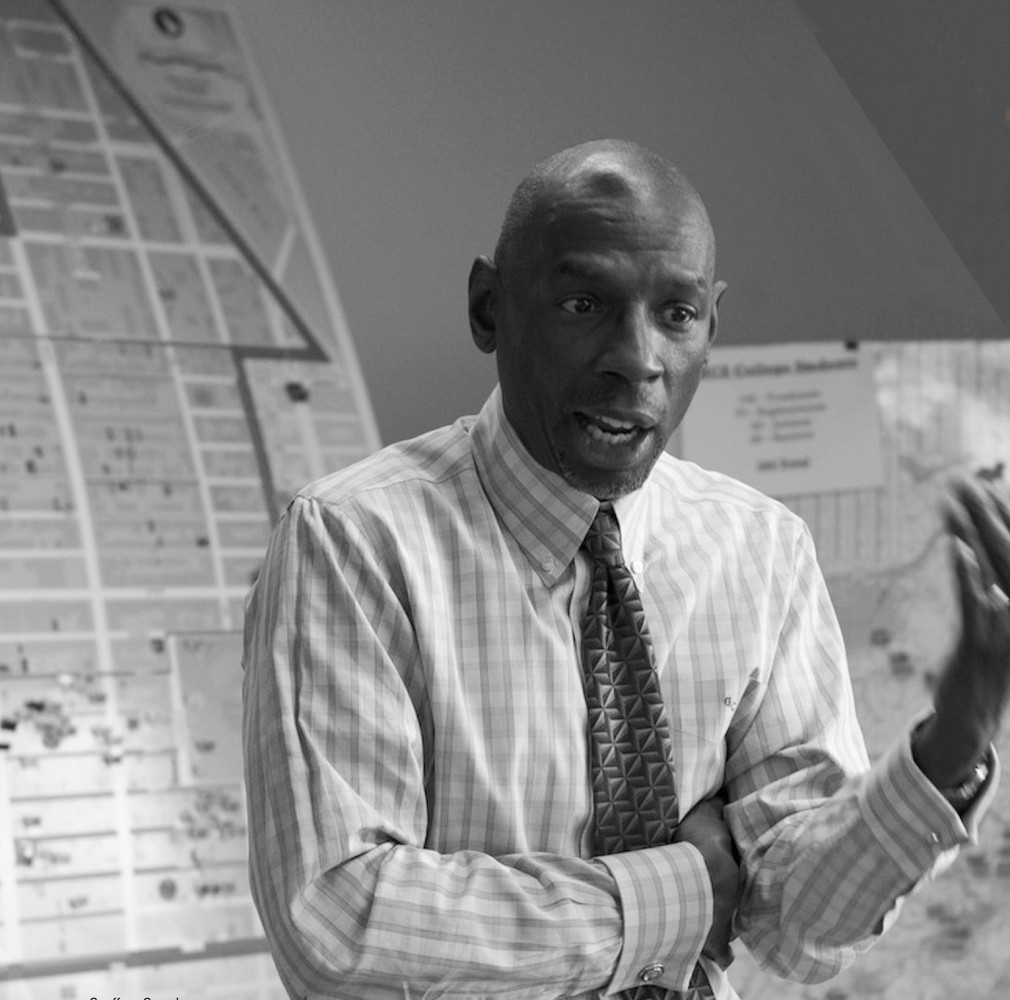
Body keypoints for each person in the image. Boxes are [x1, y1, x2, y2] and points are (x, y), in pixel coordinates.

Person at [242, 139, 1007, 1000]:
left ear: (712, 323)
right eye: (583, 302)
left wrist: (950, 750)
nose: (636, 358)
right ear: (489, 307)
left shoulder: (760, 548)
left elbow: (799, 929)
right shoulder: (352, 542)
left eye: (676, 314)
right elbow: (340, 925)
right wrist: (679, 890)